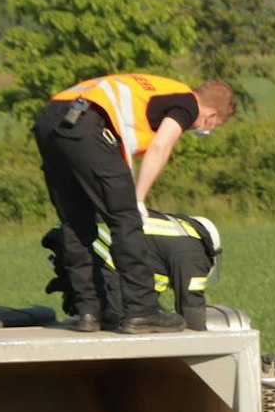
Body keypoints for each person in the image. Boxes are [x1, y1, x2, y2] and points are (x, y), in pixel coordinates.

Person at [34, 74, 234, 333]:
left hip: (49, 121)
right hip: (87, 122)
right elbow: (161, 146)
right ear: (211, 114)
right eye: (209, 127)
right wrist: (137, 199)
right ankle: (142, 311)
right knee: (125, 220)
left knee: (76, 220)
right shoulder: (187, 102)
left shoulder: (161, 89)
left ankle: (90, 311)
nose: (201, 130)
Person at [42, 210, 222, 330]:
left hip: (74, 238)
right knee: (125, 322)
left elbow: (144, 292)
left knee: (139, 316)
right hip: (90, 246)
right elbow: (192, 308)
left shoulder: (173, 237)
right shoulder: (193, 251)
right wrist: (203, 344)